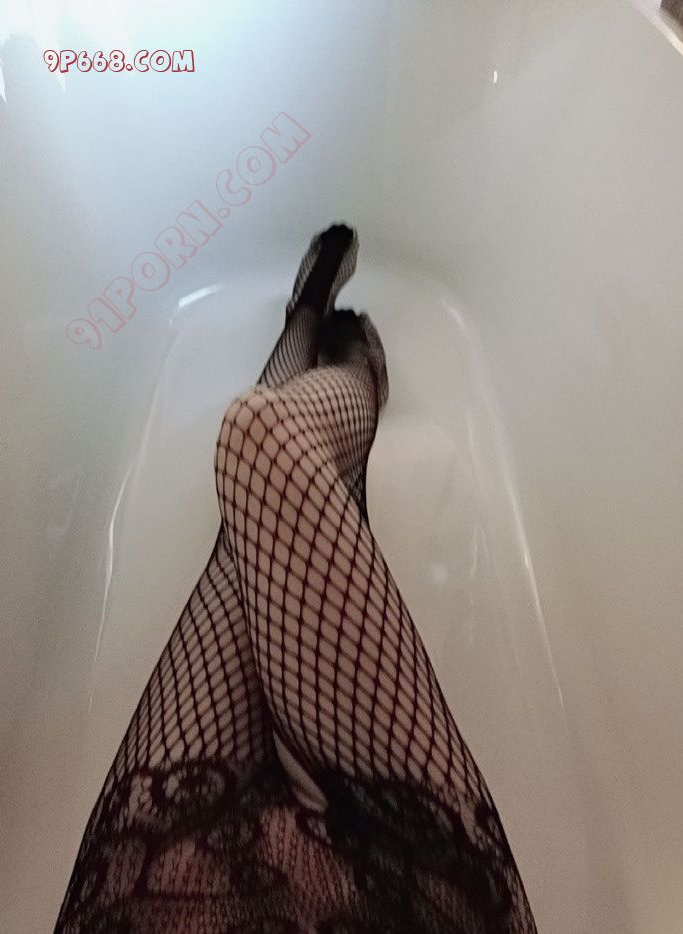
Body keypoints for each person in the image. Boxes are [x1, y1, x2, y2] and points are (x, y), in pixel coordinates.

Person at [57, 225, 537, 933]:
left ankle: (306, 322)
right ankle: (345, 362)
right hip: (405, 884)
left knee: (252, 487)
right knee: (263, 452)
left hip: (163, 879)